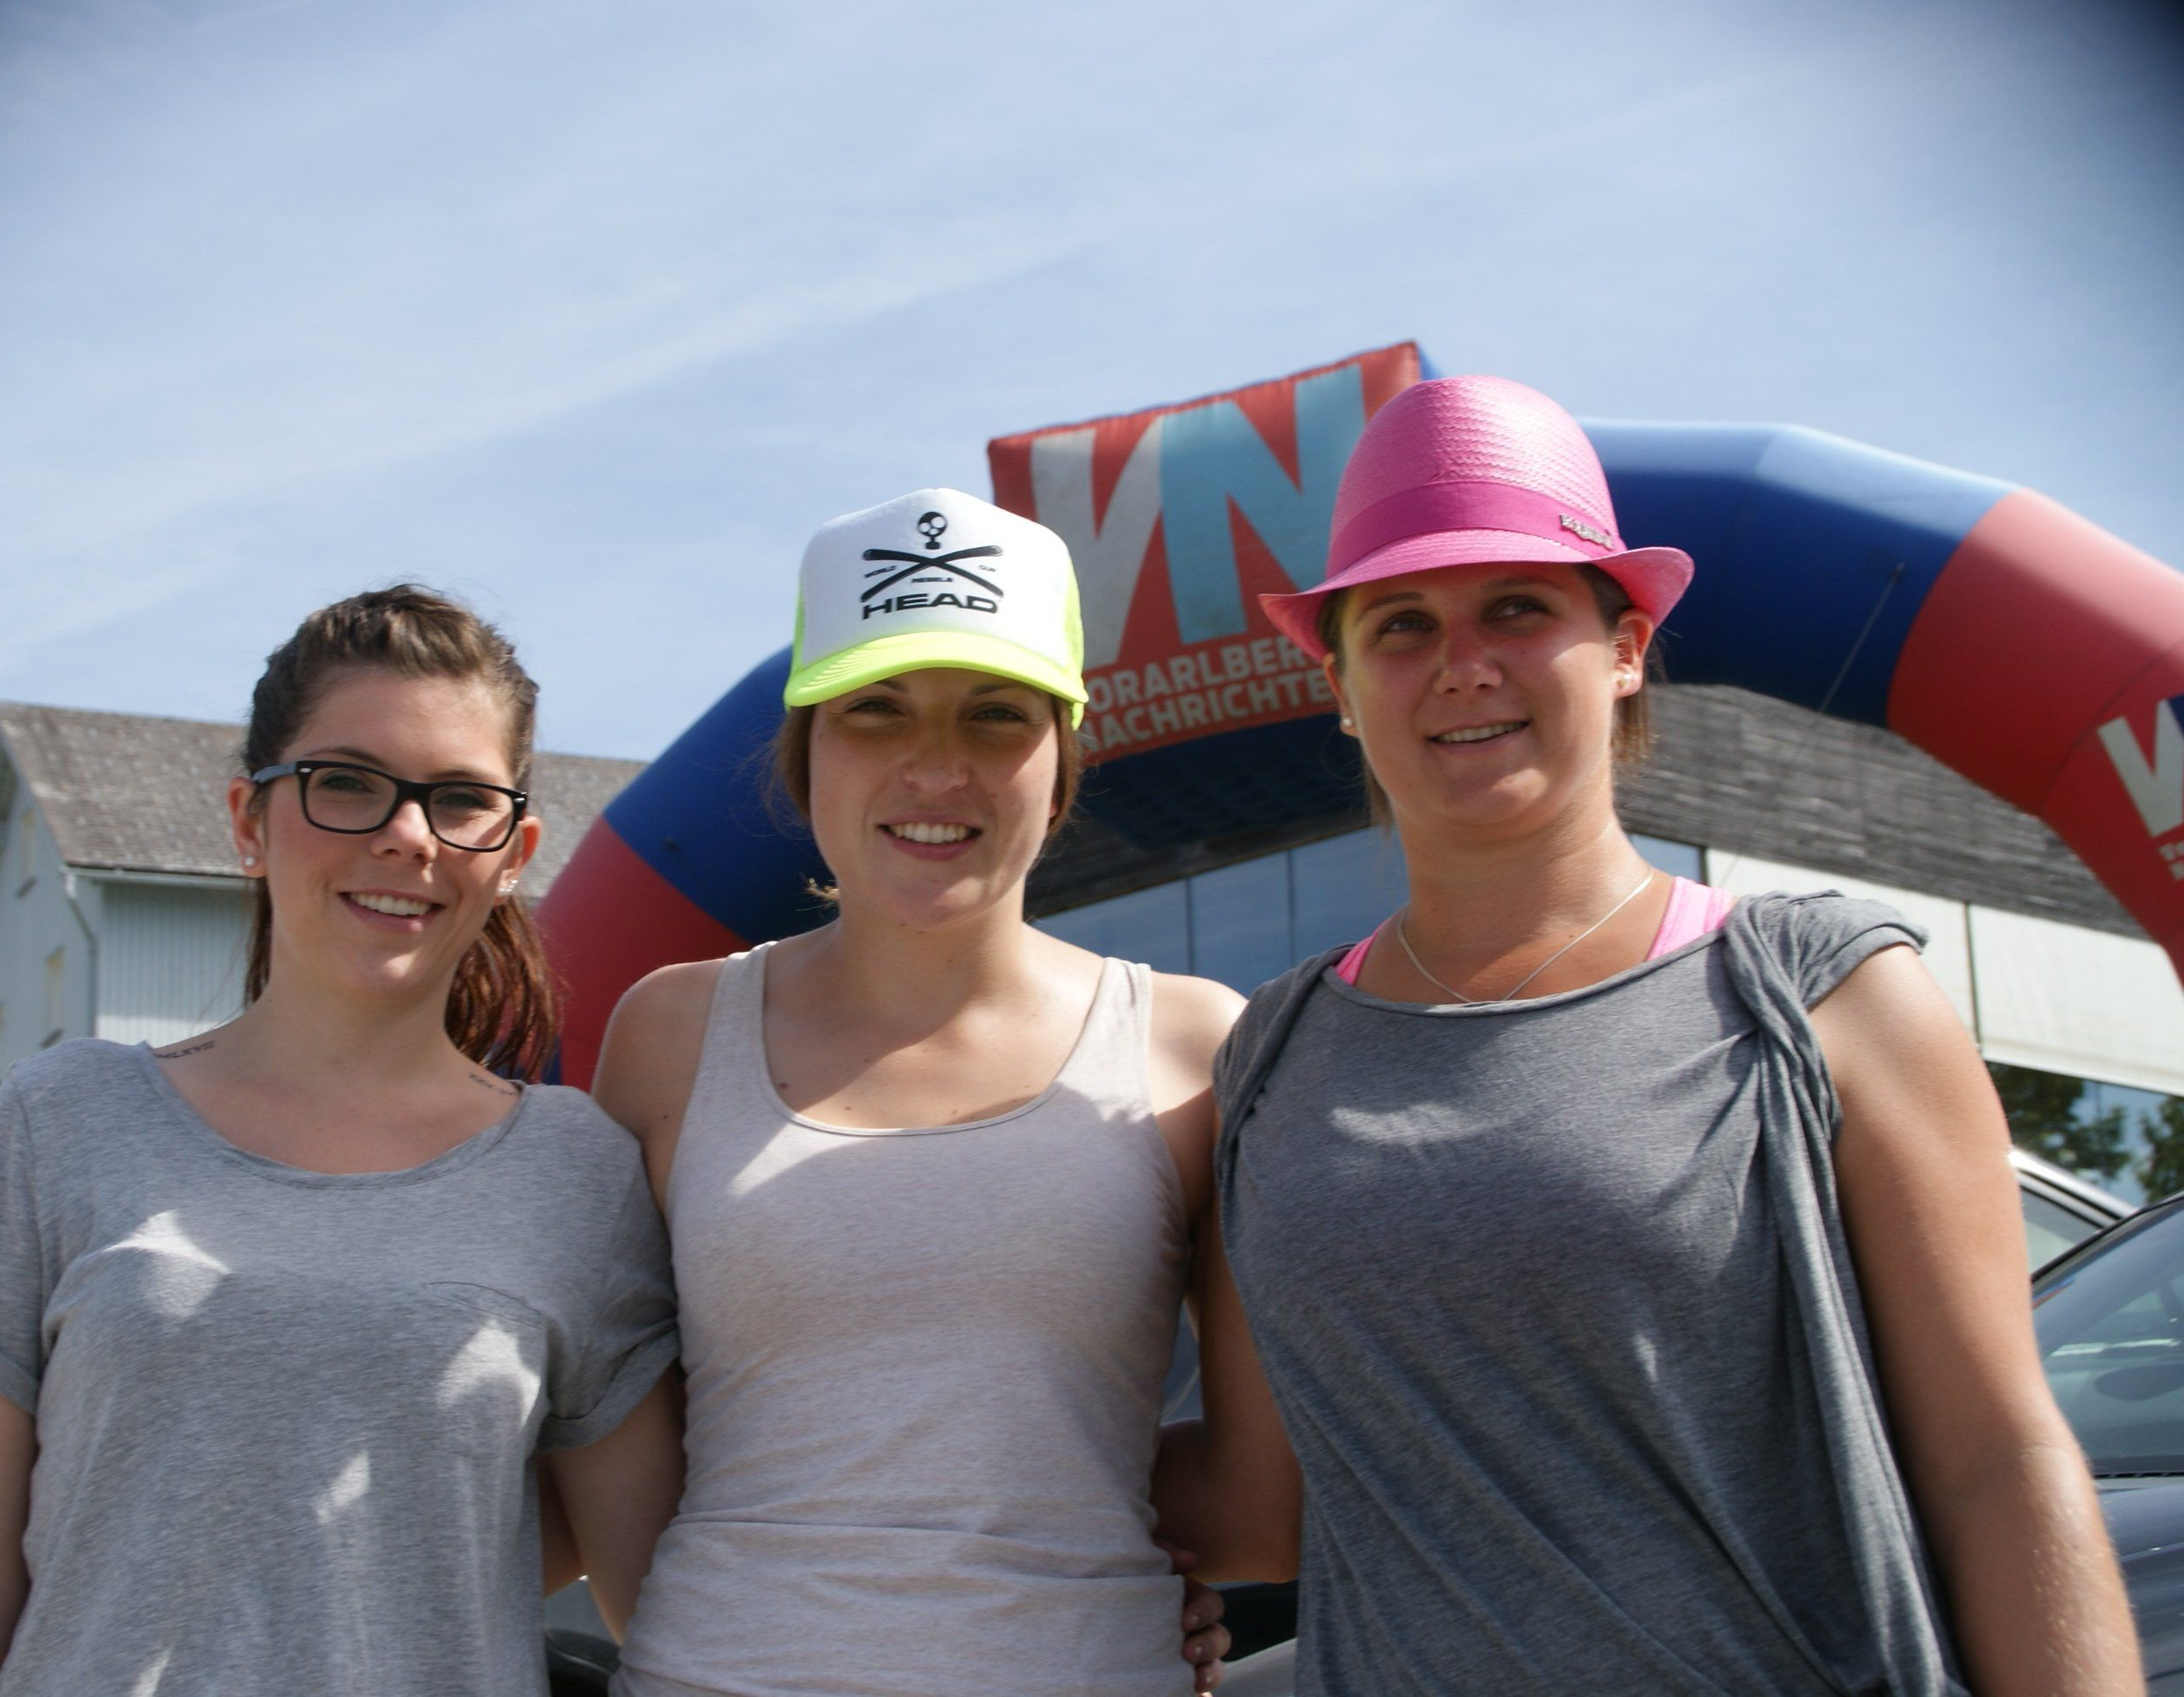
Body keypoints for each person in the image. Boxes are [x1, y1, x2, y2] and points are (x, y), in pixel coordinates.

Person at [1163, 375, 2141, 1694]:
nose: (1463, 662)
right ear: (1337, 684)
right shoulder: (1273, 1059)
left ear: (1624, 648)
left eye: (1520, 606)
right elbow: (1259, 1505)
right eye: (1402, 623)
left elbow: (1997, 1459)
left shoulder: (1820, 990)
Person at [0, 587, 683, 1697]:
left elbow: (659, 1604)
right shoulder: (64, 1118)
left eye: (460, 799)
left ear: (512, 853)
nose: (407, 833)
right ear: (250, 820)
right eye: (346, 781)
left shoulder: (576, 1171)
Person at [587, 488, 1269, 1696]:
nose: (938, 766)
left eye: (996, 715)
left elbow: (1261, 1508)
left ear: (1061, 761)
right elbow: (607, 1451)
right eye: (877, 711)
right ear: (805, 753)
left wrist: (1074, 1529)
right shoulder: (668, 1039)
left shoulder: (1192, 1047)